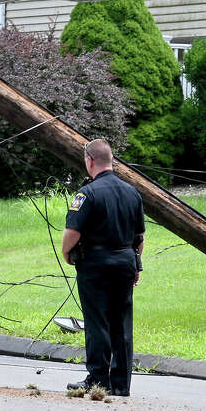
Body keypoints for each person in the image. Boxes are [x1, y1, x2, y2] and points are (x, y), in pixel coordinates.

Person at [62, 138, 145, 397]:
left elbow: (72, 232)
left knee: (97, 320)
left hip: (96, 264)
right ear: (112, 161)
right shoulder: (133, 192)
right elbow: (140, 237)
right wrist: (135, 266)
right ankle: (121, 383)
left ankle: (98, 379)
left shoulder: (87, 194)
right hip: (125, 262)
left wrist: (67, 253)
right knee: (121, 321)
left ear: (89, 161)